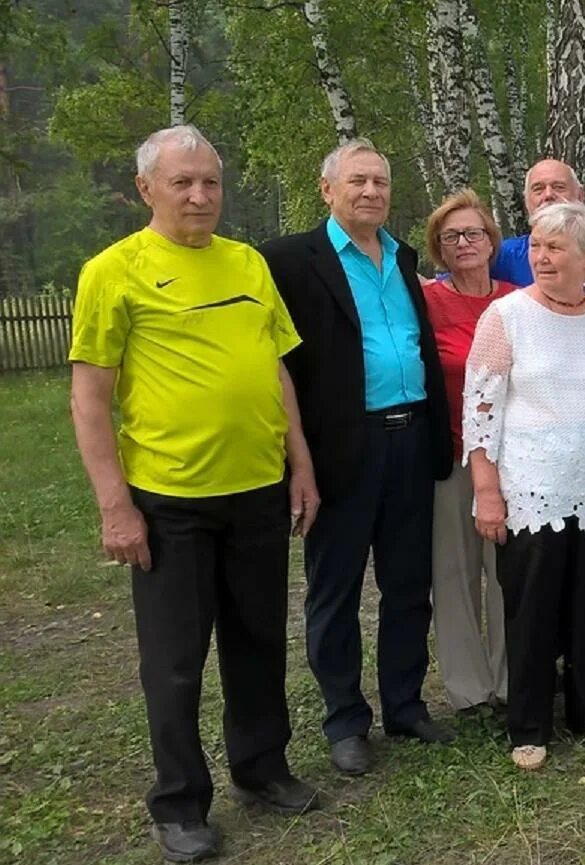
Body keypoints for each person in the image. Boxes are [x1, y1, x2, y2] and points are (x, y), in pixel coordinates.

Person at [69, 125, 319, 862]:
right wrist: (116, 504)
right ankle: (179, 800)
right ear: (147, 189)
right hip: (169, 498)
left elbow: (274, 370)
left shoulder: (247, 263)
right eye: (183, 182)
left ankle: (262, 767)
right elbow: (90, 399)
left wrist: (298, 460)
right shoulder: (113, 271)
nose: (200, 195)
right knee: (175, 659)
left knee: (260, 639)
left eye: (210, 181)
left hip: (257, 491)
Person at [260, 139, 455, 778]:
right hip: (342, 448)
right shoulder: (290, 260)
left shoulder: (401, 259)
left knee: (407, 584)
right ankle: (345, 719)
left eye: (381, 181)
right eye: (358, 181)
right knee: (335, 589)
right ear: (328, 189)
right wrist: (300, 462)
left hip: (410, 440)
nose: (371, 191)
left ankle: (404, 704)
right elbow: (276, 363)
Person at [464, 202, 585, 771]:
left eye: (556, 248)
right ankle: (529, 724)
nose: (541, 257)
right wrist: (486, 490)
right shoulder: (506, 317)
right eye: (537, 245)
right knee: (533, 609)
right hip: (530, 490)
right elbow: (480, 412)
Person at [421, 189, 517, 716]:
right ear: (439, 246)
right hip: (452, 457)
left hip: (513, 458)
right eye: (451, 236)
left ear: (490, 241)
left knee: (507, 571)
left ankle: (509, 681)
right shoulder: (428, 302)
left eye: (473, 233)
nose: (464, 243)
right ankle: (468, 689)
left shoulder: (516, 298)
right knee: (453, 573)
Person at [490, 158, 585, 299]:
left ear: (580, 195)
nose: (548, 195)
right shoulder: (504, 256)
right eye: (538, 189)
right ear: (526, 200)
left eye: (559, 187)